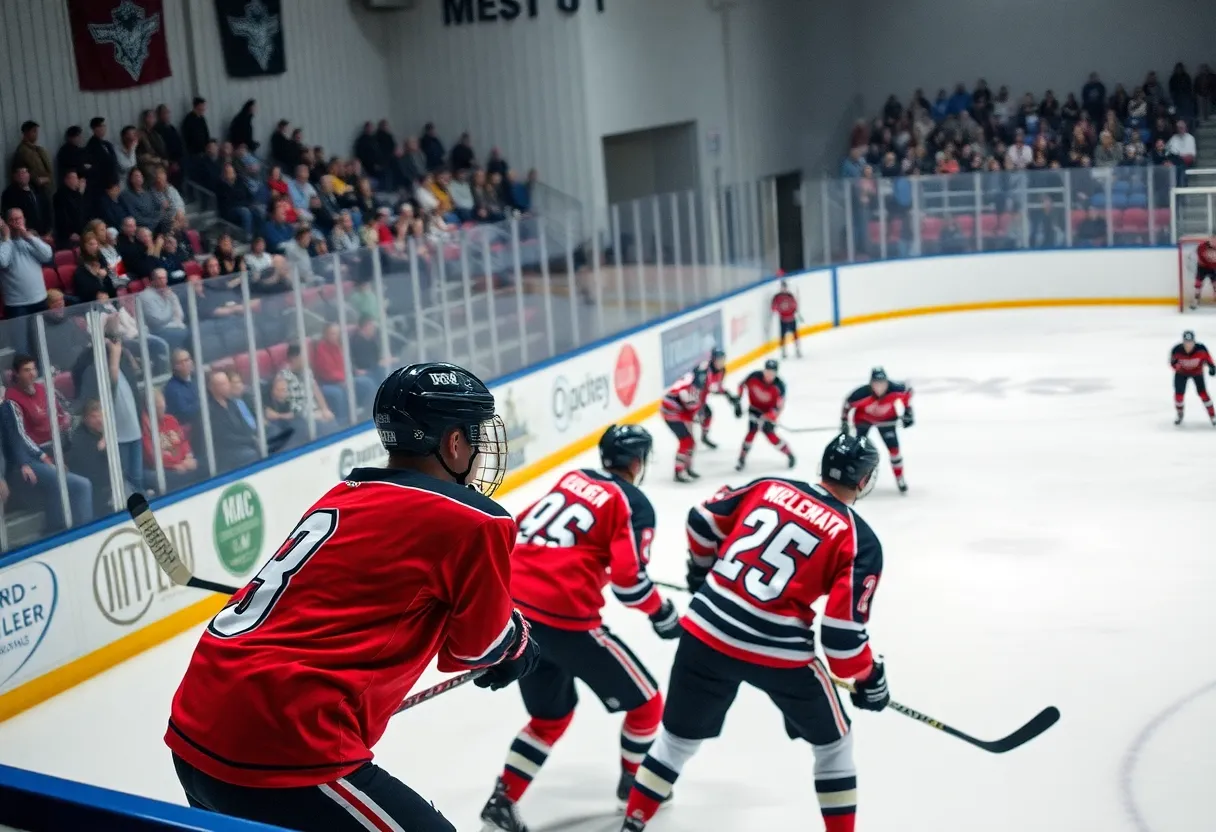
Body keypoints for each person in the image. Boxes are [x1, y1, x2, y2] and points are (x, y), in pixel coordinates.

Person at [165, 361, 538, 831]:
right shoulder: (474, 520)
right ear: (454, 442)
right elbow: (477, 648)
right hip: (286, 746)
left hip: (196, 725)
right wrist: (518, 644)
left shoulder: (344, 494)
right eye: (476, 435)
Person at [620, 433, 889, 832]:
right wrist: (871, 679)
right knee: (835, 745)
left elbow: (702, 518)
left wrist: (701, 570)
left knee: (675, 741)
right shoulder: (859, 539)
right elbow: (842, 642)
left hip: (705, 631)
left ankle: (633, 824)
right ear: (864, 481)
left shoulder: (771, 486)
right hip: (778, 653)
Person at [479, 425, 679, 831]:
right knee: (647, 705)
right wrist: (663, 614)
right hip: (565, 618)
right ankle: (633, 784)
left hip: (515, 614)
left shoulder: (573, 479)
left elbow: (515, 527)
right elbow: (630, 583)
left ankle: (502, 799)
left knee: (550, 718)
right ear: (638, 462)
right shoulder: (633, 502)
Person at [659, 347, 740, 482]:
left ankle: (686, 467)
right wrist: (697, 413)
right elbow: (688, 399)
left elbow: (714, 388)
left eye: (722, 359)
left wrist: (730, 397)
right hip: (672, 409)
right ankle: (679, 471)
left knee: (692, 440)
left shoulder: (713, 374)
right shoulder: (699, 379)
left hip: (685, 407)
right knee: (687, 441)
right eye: (718, 359)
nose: (721, 362)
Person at [841, 367, 913, 494]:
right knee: (859, 451)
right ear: (871, 384)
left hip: (887, 420)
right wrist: (844, 422)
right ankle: (856, 480)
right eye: (876, 384)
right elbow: (847, 404)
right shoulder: (861, 394)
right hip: (863, 420)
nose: (880, 387)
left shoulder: (896, 389)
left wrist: (908, 413)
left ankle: (899, 478)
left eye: (882, 383)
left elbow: (908, 393)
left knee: (894, 450)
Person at [735, 359, 794, 471]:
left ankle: (789, 454)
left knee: (770, 435)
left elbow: (779, 406)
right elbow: (741, 386)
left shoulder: (779, 386)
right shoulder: (754, 377)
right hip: (755, 410)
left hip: (768, 412)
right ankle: (741, 458)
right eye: (767, 371)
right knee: (751, 432)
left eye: (772, 373)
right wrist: (738, 401)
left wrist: (771, 416)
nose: (769, 375)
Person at [1171, 330, 1216, 426]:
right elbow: (1172, 362)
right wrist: (1177, 367)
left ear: (1194, 342)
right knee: (1179, 395)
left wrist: (1212, 368)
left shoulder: (1201, 349)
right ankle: (1180, 413)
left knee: (1203, 393)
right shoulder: (1176, 350)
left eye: (1190, 342)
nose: (1189, 345)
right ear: (1183, 342)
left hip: (1197, 373)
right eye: (1186, 343)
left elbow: (1209, 359)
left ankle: (1213, 416)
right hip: (1181, 374)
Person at [770, 279, 801, 358]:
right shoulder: (777, 296)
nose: (784, 289)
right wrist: (779, 309)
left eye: (785, 287)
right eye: (782, 287)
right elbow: (773, 308)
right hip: (783, 319)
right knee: (783, 336)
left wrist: (794, 310)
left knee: (795, 335)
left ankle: (797, 350)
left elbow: (795, 305)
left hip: (791, 319)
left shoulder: (790, 295)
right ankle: (783, 351)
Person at [1189, 237, 1216, 310]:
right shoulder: (1202, 246)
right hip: (1202, 267)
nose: (1214, 242)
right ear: (1210, 240)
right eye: (1213, 240)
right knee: (1198, 283)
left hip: (1213, 268)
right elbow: (1201, 259)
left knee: (1215, 284)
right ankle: (1196, 300)